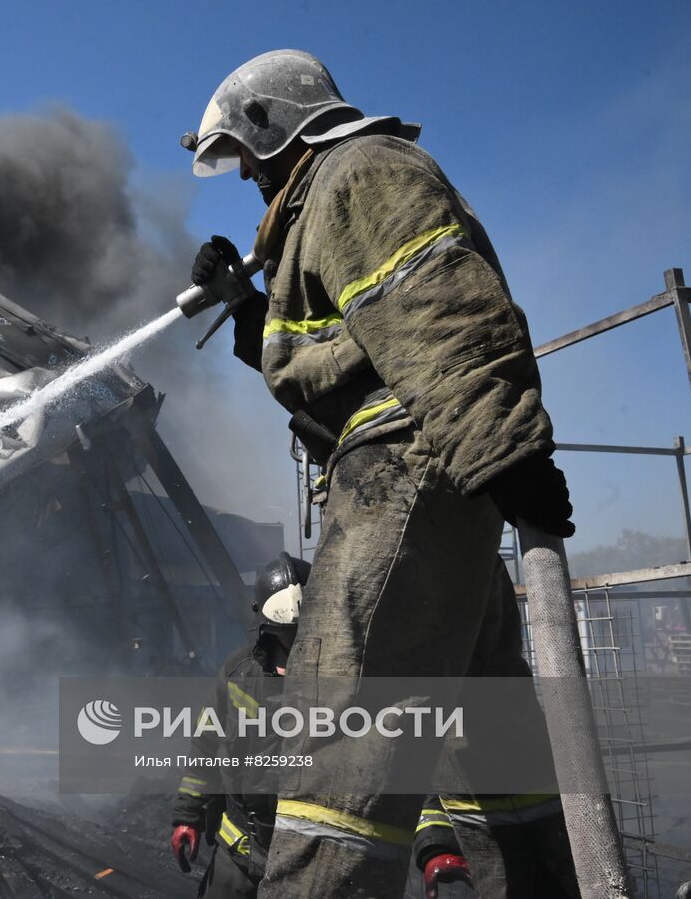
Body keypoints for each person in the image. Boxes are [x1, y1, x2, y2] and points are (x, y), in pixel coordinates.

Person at [183, 50, 579, 897]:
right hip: (438, 481)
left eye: (246, 155)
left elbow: (437, 307)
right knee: (492, 745)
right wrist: (244, 305)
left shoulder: (358, 172)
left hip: (404, 479)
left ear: (272, 123)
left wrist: (503, 445)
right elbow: (335, 357)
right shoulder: (323, 200)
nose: (247, 175)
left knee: (338, 744)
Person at [170, 552, 311, 898]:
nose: (292, 655)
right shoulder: (238, 672)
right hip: (239, 857)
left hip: (310, 863)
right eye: (285, 637)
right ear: (266, 629)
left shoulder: (347, 679)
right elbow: (206, 745)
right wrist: (188, 814)